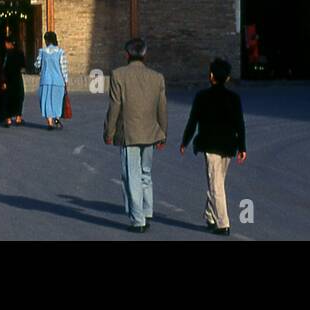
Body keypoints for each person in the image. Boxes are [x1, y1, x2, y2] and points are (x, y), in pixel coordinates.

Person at [103, 38, 167, 233]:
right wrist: (162, 133)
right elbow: (162, 108)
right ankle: (147, 211)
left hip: (129, 133)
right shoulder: (157, 77)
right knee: (146, 173)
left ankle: (138, 219)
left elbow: (115, 107)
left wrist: (109, 131)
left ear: (127, 54)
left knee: (131, 176)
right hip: (151, 131)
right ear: (144, 54)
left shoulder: (119, 75)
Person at [179, 57, 247, 236]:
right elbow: (240, 124)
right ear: (228, 78)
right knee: (217, 181)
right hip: (229, 147)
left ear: (211, 76)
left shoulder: (202, 97)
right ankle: (210, 215)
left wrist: (185, 141)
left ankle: (223, 223)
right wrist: (242, 148)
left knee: (216, 184)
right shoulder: (234, 98)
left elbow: (192, 121)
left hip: (211, 147)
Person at [35, 30, 69, 129]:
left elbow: (37, 64)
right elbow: (64, 68)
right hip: (58, 81)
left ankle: (49, 122)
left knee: (46, 101)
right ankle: (57, 118)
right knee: (57, 100)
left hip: (45, 80)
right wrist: (66, 80)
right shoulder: (60, 52)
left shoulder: (42, 51)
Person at [0, 35, 27, 127]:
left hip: (8, 79)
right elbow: (23, 66)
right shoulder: (20, 53)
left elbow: (2, 67)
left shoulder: (6, 54)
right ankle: (18, 117)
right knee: (18, 97)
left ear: (10, 44)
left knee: (7, 98)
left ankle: (8, 119)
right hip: (17, 79)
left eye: (6, 43)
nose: (5, 45)